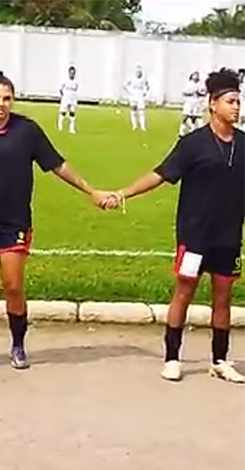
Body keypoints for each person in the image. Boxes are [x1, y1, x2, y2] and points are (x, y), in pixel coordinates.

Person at [0, 71, 113, 371]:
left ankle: (18, 345)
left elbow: (58, 165)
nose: (1, 104)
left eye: (7, 98)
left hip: (14, 222)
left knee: (13, 285)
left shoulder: (27, 131)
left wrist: (91, 191)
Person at [104, 68, 243, 384]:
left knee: (223, 299)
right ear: (212, 104)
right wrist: (123, 193)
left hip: (229, 237)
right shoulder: (193, 144)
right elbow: (160, 174)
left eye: (239, 101)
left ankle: (220, 360)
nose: (236, 107)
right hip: (195, 236)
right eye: (231, 101)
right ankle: (172, 357)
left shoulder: (244, 144)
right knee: (184, 294)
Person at [180, 71, 206, 137]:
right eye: (194, 75)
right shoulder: (189, 84)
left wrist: (200, 93)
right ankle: (182, 131)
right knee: (186, 116)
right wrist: (190, 93)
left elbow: (204, 92)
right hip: (189, 102)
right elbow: (184, 92)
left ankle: (195, 129)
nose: (196, 77)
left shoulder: (201, 84)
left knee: (196, 116)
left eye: (197, 75)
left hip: (197, 102)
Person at [124, 66, 150, 131]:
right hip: (133, 97)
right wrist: (130, 91)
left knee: (141, 112)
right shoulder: (131, 78)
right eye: (137, 72)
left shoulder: (144, 79)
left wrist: (145, 92)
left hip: (140, 97)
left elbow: (147, 86)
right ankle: (134, 126)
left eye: (139, 72)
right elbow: (125, 85)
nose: (138, 74)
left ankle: (143, 126)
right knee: (133, 111)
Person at [58, 65, 79, 134]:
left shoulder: (76, 82)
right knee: (63, 112)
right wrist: (63, 96)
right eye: (71, 73)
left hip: (72, 99)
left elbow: (76, 90)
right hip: (66, 98)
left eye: (73, 73)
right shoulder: (65, 80)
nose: (72, 74)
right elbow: (60, 89)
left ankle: (71, 128)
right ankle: (60, 125)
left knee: (72, 113)